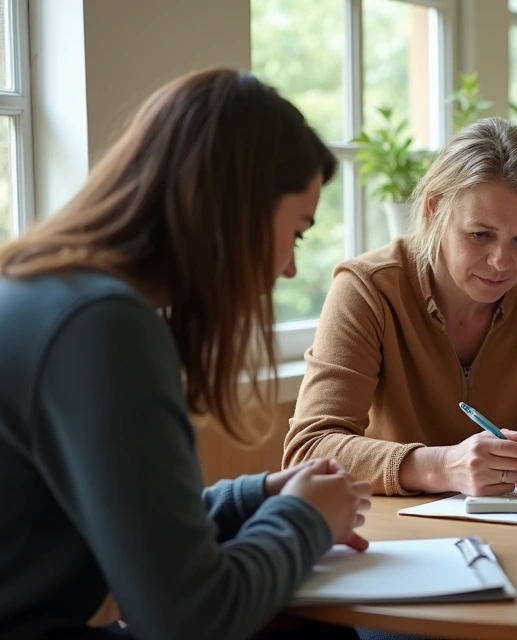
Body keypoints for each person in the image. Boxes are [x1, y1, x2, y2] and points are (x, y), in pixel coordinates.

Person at [0, 69, 371, 639]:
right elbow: (190, 618)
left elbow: (142, 525)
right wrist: (306, 518)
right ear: (236, 211)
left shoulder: (49, 291)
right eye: (296, 234)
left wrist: (262, 495)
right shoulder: (102, 327)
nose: (290, 269)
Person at [285, 117, 517, 496]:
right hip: (397, 534)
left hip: (514, 530)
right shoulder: (367, 289)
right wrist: (440, 467)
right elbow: (309, 450)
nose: (502, 262)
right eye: (480, 235)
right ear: (434, 209)